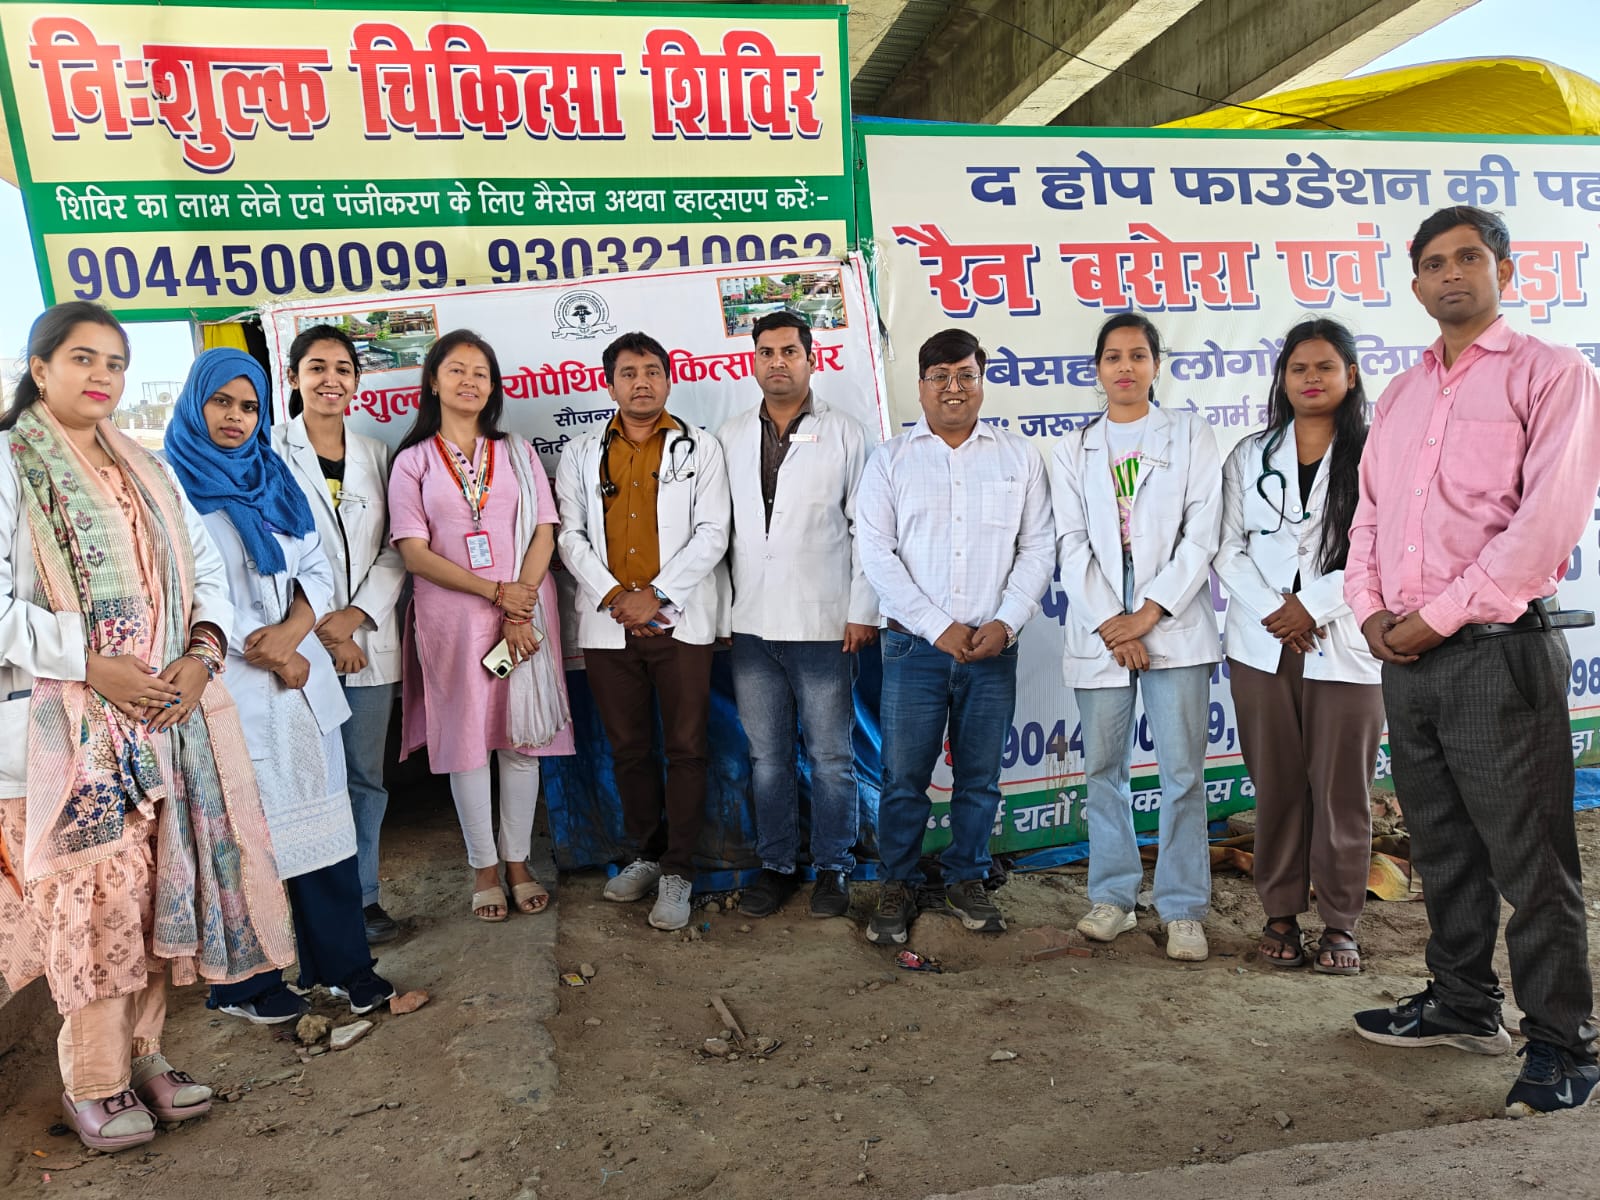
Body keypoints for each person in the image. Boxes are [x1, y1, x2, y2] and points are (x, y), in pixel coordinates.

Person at [0, 304, 294, 1152]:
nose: (102, 375)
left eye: (116, 362)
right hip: (61, 735)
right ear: (40, 368)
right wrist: (90, 663)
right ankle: (94, 1083)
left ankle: (144, 1056)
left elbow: (206, 575)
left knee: (155, 891)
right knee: (94, 907)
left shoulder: (147, 467)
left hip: (162, 724)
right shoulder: (13, 463)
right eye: (82, 358)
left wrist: (201, 656)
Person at [1345, 205, 1600, 1116]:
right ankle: (1461, 1004)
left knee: (1531, 862)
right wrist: (1372, 611)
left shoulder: (1553, 373)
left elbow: (1544, 527)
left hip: (1500, 652)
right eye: (1433, 263)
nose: (1450, 273)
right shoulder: (1402, 395)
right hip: (1407, 658)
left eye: (1468, 258)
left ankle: (1564, 1044)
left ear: (1505, 271)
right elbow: (1369, 517)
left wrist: (1435, 619)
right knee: (1443, 846)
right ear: (1415, 283)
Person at [164, 348, 396, 1023]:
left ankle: (344, 969)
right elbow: (187, 587)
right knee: (244, 841)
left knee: (324, 830)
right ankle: (247, 984)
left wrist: (296, 631)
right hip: (231, 686)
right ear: (196, 404)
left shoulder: (274, 476)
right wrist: (265, 650)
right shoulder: (172, 486)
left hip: (299, 682)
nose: (235, 417)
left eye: (248, 406)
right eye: (221, 402)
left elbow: (315, 566)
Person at [856, 328, 1053, 945]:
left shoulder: (1019, 457)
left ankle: (967, 876)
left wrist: (1006, 620)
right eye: (939, 376)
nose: (953, 387)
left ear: (981, 382)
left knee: (978, 777)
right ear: (920, 386)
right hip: (913, 647)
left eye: (965, 375)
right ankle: (898, 881)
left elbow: (1038, 547)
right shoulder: (890, 460)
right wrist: (938, 627)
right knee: (903, 778)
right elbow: (877, 554)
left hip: (992, 648)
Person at [1049, 313, 1222, 963]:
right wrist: (1111, 624)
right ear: (1097, 369)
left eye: (1138, 355)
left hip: (1172, 621)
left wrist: (1147, 614)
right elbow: (1070, 544)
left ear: (1156, 365)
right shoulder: (1073, 448)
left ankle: (1183, 908)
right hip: (1102, 628)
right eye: (1113, 356)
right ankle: (1114, 898)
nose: (1126, 366)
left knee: (1182, 774)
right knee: (1103, 771)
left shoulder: (1190, 434)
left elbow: (1202, 532)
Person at [1213, 318, 1382, 974]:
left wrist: (1312, 606)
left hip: (1345, 638)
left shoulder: (1380, 451)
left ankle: (1340, 923)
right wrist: (1276, 610)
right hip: (1263, 646)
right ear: (1282, 378)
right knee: (1277, 786)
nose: (1312, 379)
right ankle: (1280, 913)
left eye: (1325, 367)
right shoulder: (1248, 455)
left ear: (1351, 375)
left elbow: (1382, 547)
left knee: (1343, 792)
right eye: (1299, 368)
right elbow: (1226, 547)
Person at [389, 330, 573, 922]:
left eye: (481, 373)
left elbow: (544, 529)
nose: (469, 381)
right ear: (433, 381)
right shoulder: (414, 461)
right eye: (457, 370)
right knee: (466, 744)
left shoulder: (516, 450)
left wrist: (517, 607)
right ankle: (484, 868)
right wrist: (495, 593)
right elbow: (414, 553)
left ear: (493, 388)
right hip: (453, 618)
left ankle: (518, 862)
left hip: (525, 612)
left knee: (523, 739)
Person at [555, 331, 731, 932]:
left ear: (669, 380)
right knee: (628, 749)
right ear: (609, 384)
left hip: (680, 622)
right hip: (609, 626)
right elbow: (569, 536)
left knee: (686, 748)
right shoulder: (581, 453)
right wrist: (614, 597)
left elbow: (713, 531)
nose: (642, 383)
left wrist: (655, 595)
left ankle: (679, 870)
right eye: (628, 373)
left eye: (653, 371)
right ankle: (646, 854)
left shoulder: (700, 447)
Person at [716, 311, 878, 919]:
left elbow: (868, 531)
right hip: (752, 625)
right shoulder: (729, 435)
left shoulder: (846, 433)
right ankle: (777, 865)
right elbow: (718, 533)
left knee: (832, 757)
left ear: (812, 359)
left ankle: (834, 867)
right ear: (753, 361)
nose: (777, 362)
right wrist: (719, 616)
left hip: (824, 626)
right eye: (766, 352)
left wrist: (862, 610)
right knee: (767, 758)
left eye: (789, 351)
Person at [273, 325, 407, 945]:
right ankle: (310, 911)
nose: (331, 380)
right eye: (317, 367)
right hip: (296, 642)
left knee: (363, 777)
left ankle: (364, 897)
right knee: (305, 780)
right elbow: (273, 551)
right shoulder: (270, 451)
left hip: (367, 642)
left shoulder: (378, 454)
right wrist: (324, 627)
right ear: (294, 376)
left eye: (343, 369)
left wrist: (355, 617)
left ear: (357, 380)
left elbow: (398, 546)